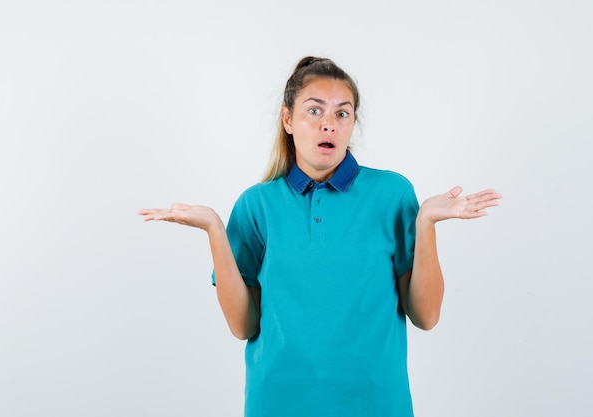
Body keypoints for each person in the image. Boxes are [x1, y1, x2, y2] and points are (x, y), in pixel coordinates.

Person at [139, 56, 501, 417]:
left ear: (352, 123)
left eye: (342, 114)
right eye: (314, 111)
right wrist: (214, 229)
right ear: (288, 120)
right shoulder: (256, 205)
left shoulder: (392, 194)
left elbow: (425, 316)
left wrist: (426, 223)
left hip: (375, 405)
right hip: (278, 404)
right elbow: (243, 325)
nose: (328, 124)